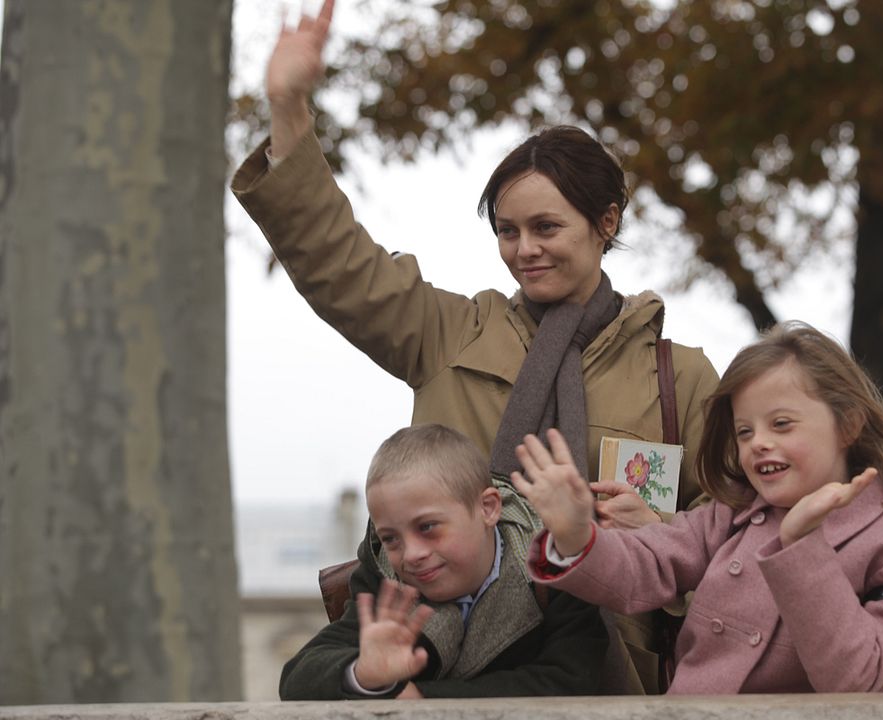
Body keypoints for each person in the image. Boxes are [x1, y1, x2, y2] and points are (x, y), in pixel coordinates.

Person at [232, 0, 720, 693]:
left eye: (546, 227)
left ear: (605, 222)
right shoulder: (448, 333)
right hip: (429, 674)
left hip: (618, 685)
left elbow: (741, 536)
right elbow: (334, 263)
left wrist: (658, 533)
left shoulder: (679, 378)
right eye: (507, 230)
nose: (525, 250)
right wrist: (288, 110)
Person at [511, 321, 883, 693]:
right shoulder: (733, 512)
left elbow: (857, 678)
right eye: (744, 431)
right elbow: (646, 564)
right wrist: (574, 536)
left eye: (781, 424)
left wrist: (800, 546)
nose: (759, 442)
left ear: (848, 423)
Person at [279, 423, 608, 699]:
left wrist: (423, 699)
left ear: (488, 508)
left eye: (428, 528)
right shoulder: (384, 578)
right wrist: (363, 675)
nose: (411, 555)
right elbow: (298, 677)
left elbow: (571, 680)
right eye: (392, 538)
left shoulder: (556, 565)